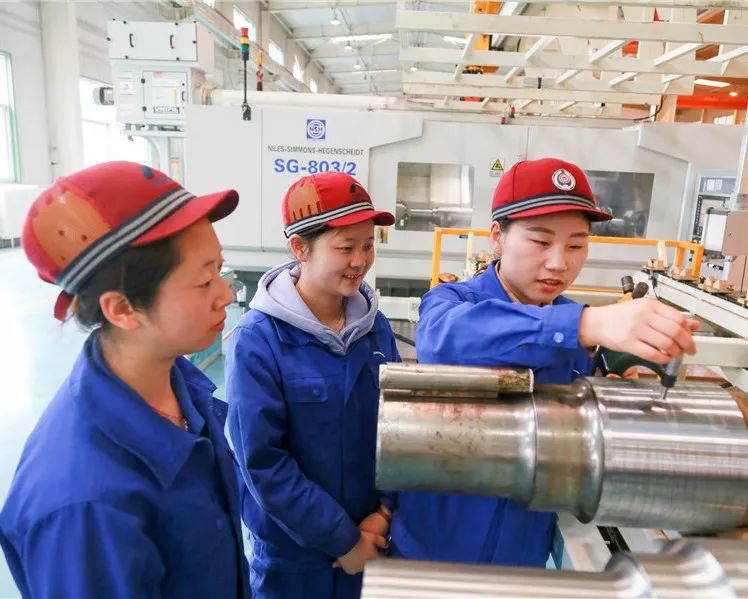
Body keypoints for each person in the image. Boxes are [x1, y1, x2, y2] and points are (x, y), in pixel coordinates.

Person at [390, 157, 698, 567]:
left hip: (522, 559)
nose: (559, 263)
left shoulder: (577, 329)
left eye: (576, 245)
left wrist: (615, 384)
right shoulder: (454, 303)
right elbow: (443, 339)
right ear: (497, 237)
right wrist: (587, 324)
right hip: (430, 555)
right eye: (540, 242)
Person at [0, 161, 250, 598]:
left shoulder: (179, 387)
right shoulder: (85, 504)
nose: (226, 295)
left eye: (221, 269)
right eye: (205, 280)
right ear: (123, 309)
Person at [226, 172, 400, 599]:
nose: (360, 260)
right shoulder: (258, 340)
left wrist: (384, 512)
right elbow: (263, 463)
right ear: (300, 248)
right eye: (345, 247)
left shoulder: (374, 328)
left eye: (368, 245)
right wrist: (343, 540)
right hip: (294, 561)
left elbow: (398, 425)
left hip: (371, 543)